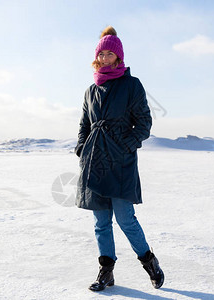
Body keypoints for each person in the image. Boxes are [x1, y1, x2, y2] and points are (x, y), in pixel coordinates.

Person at [74, 25, 164, 292]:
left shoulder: (131, 85)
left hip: (121, 161)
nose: (105, 58)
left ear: (119, 57)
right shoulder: (91, 90)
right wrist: (82, 148)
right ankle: (107, 272)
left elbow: (144, 122)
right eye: (102, 53)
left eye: (110, 54)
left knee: (125, 218)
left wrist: (127, 145)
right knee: (101, 222)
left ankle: (150, 262)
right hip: (95, 162)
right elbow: (84, 125)